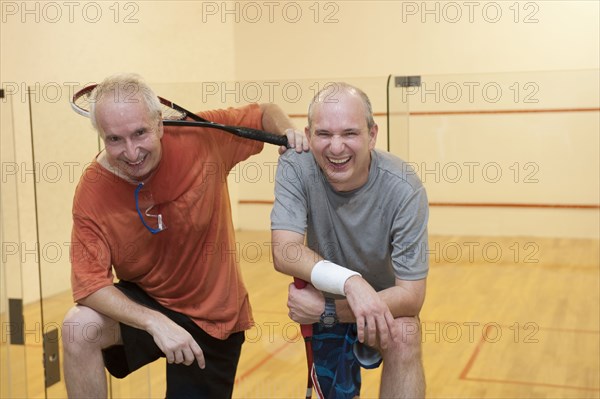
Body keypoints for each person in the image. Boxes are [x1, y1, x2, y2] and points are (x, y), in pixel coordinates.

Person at [62, 73, 308, 399]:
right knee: (78, 327)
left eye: (140, 133)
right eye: (114, 139)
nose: (131, 152)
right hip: (147, 302)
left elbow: (264, 112)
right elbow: (90, 286)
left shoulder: (202, 137)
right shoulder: (93, 191)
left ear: (160, 124)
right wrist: (154, 322)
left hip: (214, 316)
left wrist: (288, 132)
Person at [271, 83, 428, 398]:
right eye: (324, 134)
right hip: (325, 307)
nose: (336, 147)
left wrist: (327, 310)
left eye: (350, 133)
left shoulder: (403, 187)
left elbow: (411, 296)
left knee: (406, 332)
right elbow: (285, 252)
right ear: (308, 134)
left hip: (371, 306)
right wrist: (351, 282)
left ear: (372, 135)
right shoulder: (296, 166)